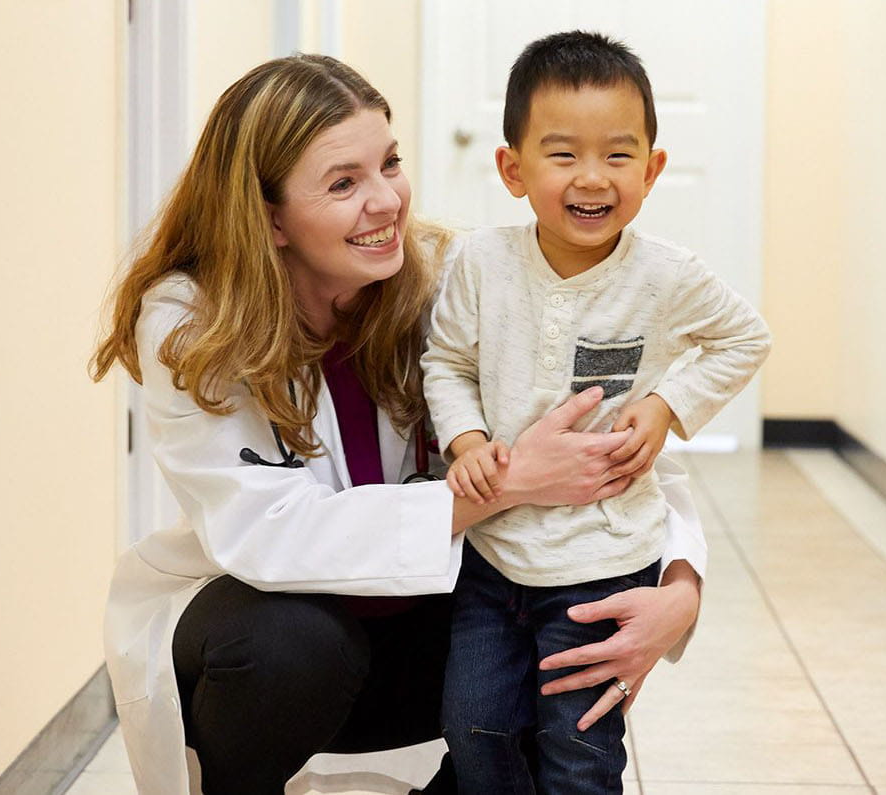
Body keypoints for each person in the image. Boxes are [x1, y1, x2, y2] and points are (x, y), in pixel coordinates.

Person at [92, 53, 710, 794]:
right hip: (270, 643)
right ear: (269, 215)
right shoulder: (194, 319)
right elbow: (267, 531)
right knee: (288, 644)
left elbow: (613, 442)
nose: (386, 201)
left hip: (425, 628)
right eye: (344, 183)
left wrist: (679, 590)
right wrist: (503, 486)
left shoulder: (451, 277)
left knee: (568, 608)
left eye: (389, 163)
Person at [421, 31, 772, 793]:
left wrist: (664, 403)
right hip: (492, 552)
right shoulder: (479, 263)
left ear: (651, 169)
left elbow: (745, 337)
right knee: (474, 726)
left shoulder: (666, 275)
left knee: (578, 743)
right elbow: (444, 363)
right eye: (561, 154)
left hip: (604, 559)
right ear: (512, 170)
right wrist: (466, 438)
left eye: (618, 155)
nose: (592, 177)